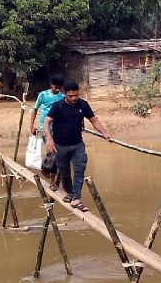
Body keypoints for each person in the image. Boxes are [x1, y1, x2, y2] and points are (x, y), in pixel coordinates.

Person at [43, 81, 112, 212]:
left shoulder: (83, 105)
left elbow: (94, 120)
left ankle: (76, 198)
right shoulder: (58, 106)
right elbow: (47, 122)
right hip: (61, 146)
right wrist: (49, 140)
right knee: (64, 174)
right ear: (65, 95)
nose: (74, 98)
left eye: (76, 95)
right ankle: (70, 192)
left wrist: (104, 133)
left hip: (77, 145)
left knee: (79, 170)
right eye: (71, 96)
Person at [30, 75, 66, 184]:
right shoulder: (43, 95)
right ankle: (51, 180)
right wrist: (31, 125)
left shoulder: (62, 97)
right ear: (51, 85)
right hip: (45, 128)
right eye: (56, 87)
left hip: (58, 128)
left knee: (60, 152)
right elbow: (35, 109)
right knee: (52, 152)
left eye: (60, 87)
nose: (58, 89)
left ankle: (55, 174)